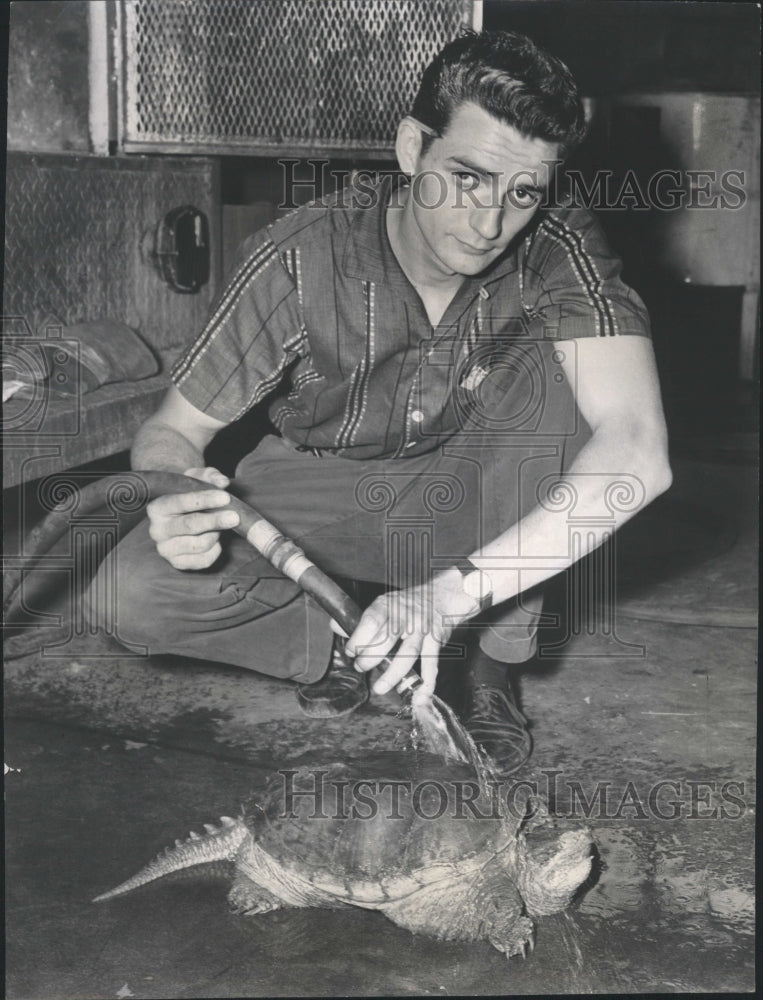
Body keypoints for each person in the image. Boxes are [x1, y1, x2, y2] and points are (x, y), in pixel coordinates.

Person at [86, 31, 671, 775]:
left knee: (565, 385)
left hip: (478, 482)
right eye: (467, 178)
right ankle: (340, 644)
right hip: (326, 479)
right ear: (409, 150)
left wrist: (451, 597)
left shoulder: (559, 246)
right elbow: (172, 431)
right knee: (129, 592)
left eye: (522, 192)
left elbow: (636, 453)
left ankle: (487, 664)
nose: (490, 223)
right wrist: (176, 494)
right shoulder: (300, 254)